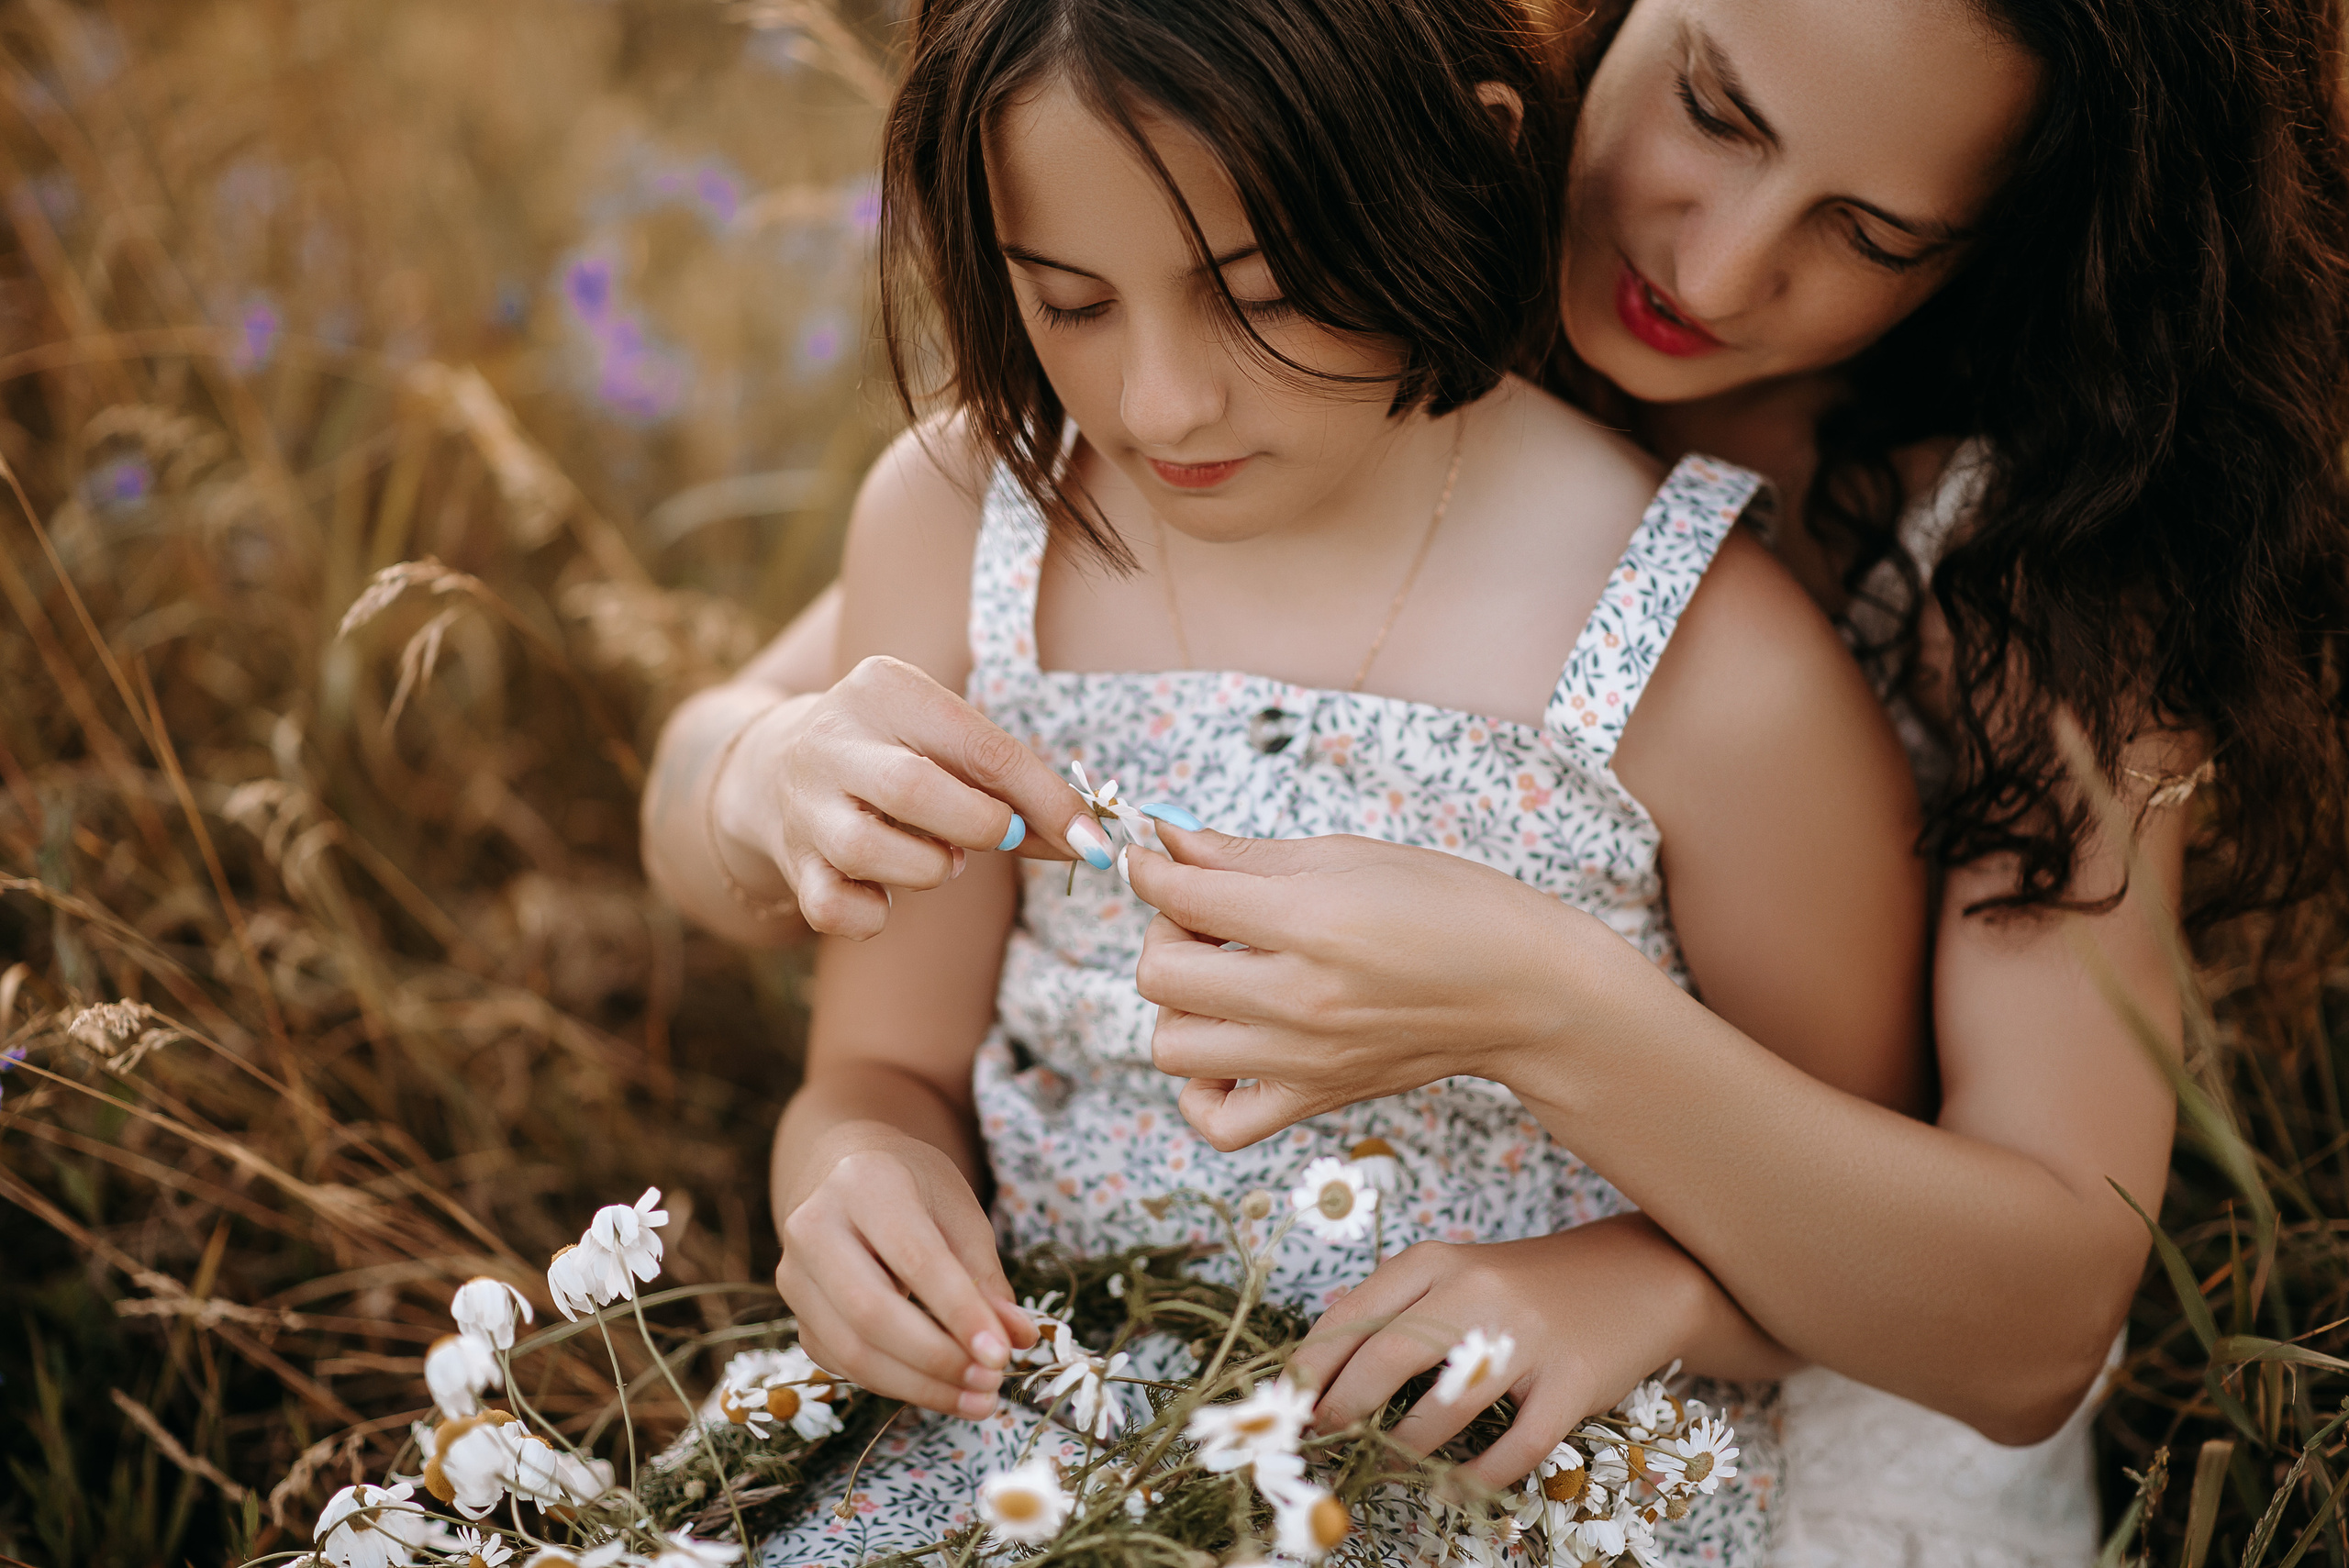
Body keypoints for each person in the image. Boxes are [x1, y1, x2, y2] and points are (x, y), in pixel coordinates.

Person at [641, 0, 2349, 1562]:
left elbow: (2029, 1316)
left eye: (1876, 231)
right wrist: (762, 776)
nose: (1724, 263)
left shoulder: (2023, 588)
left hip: (1786, 1358)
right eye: (1711, 109)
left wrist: (1554, 1024)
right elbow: (801, 733)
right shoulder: (1338, 221)